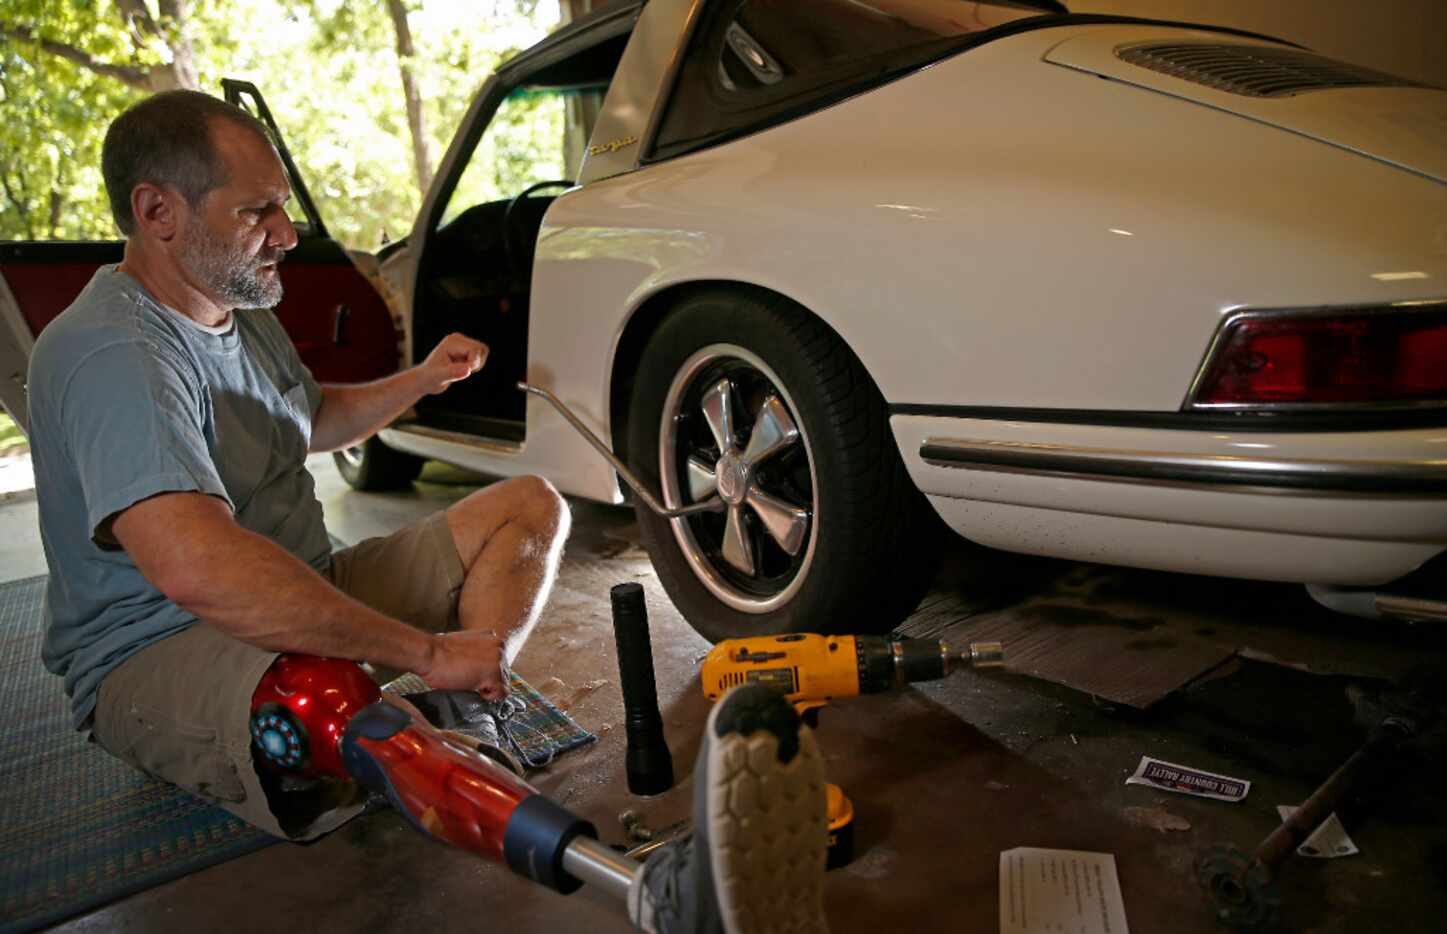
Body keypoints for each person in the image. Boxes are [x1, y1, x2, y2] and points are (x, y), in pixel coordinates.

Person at [27, 89, 570, 840]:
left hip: (305, 588)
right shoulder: (116, 351)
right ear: (158, 214)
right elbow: (197, 571)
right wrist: (423, 651)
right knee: (326, 696)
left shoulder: (239, 310)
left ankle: (471, 697)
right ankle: (456, 752)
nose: (286, 234)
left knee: (529, 506)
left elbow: (308, 420)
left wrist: (421, 380)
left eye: (281, 207)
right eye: (256, 214)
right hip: (165, 647)